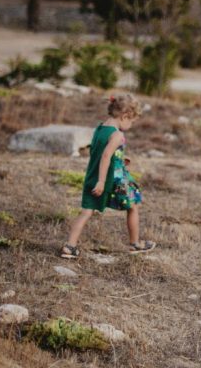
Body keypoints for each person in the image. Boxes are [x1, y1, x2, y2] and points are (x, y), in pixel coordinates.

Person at [60, 93, 156, 258]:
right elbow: (105, 156)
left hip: (92, 175)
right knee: (133, 206)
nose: (131, 125)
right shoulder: (117, 135)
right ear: (125, 116)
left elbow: (99, 151)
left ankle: (70, 246)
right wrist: (102, 181)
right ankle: (135, 243)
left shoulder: (100, 128)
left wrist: (119, 159)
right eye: (132, 121)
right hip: (111, 180)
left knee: (86, 211)